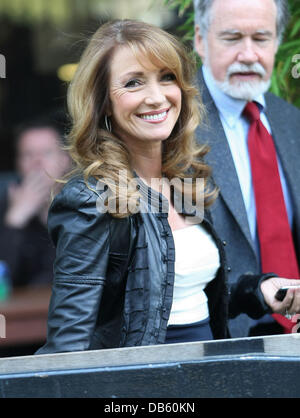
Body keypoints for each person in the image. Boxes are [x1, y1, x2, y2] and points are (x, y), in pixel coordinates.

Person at [35, 19, 300, 355]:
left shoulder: (183, 180)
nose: (156, 97)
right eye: (133, 83)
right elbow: (68, 347)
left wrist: (257, 290)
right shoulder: (91, 199)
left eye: (167, 78)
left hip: (211, 373)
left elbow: (176, 296)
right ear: (102, 101)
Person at [193, 0, 300, 337]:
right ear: (199, 39)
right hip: (216, 341)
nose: (249, 54)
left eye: (261, 38)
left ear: (278, 42)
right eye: (233, 38)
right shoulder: (171, 125)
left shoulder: (292, 121)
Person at [0, 119, 71, 287]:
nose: (37, 162)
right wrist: (15, 218)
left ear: (66, 160)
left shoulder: (86, 207)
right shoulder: (4, 208)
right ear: (18, 164)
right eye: (28, 154)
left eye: (46, 153)